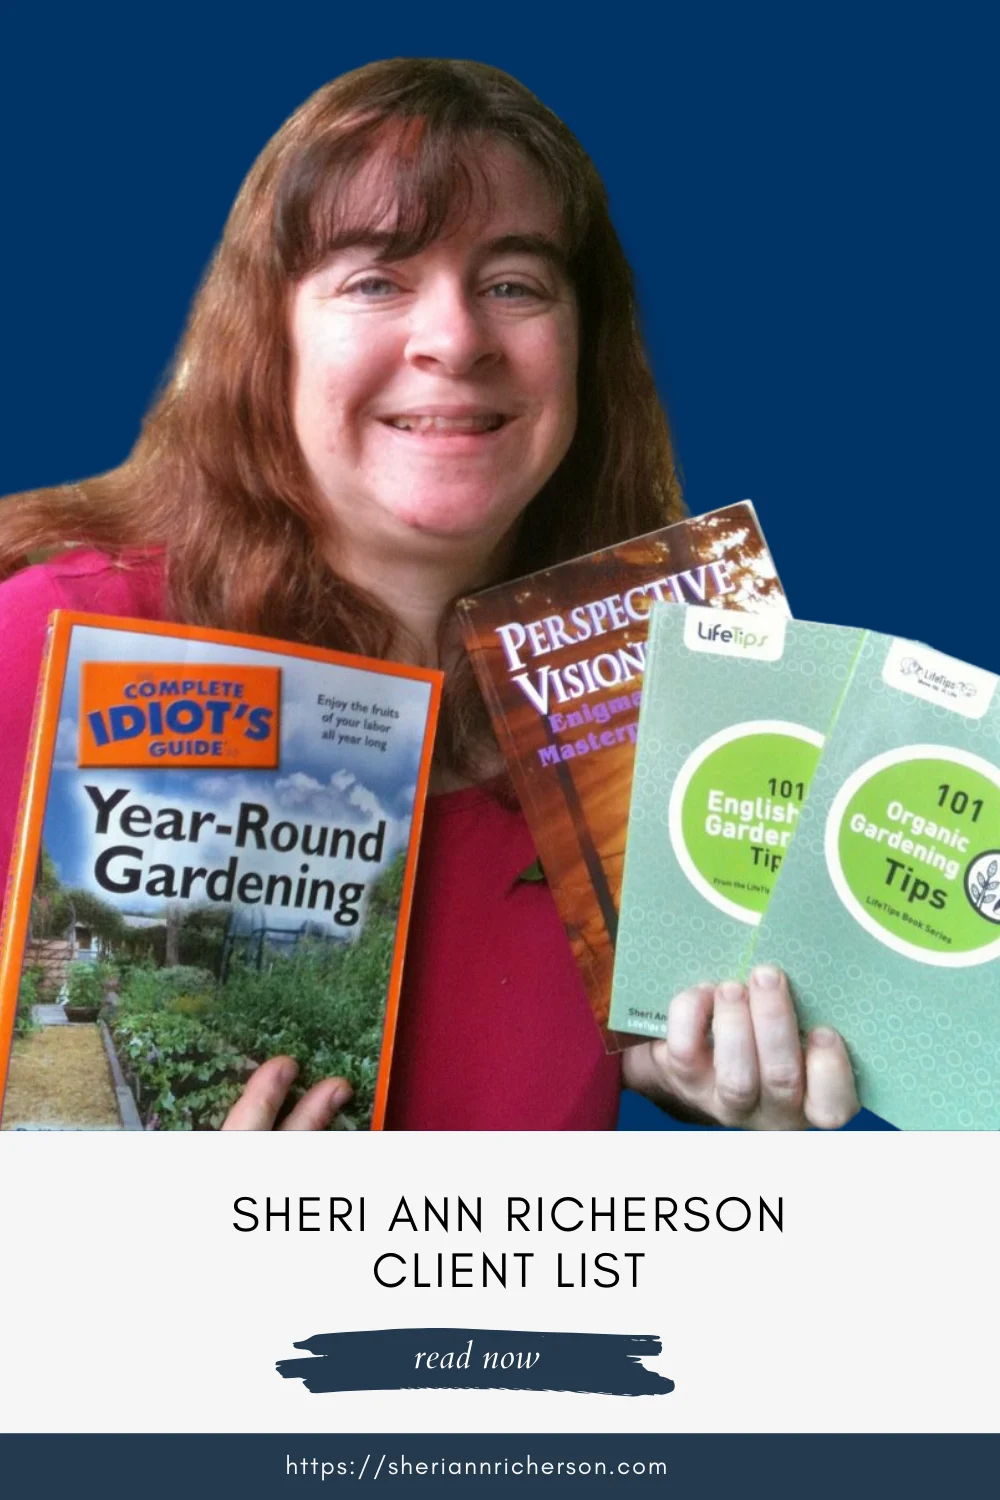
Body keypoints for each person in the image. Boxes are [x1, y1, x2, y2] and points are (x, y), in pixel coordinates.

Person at [0, 58, 859, 1131]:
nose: (454, 340)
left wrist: (750, 1121)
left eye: (514, 283)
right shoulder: (48, 645)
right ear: (265, 339)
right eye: (374, 280)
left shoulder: (659, 728)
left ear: (584, 350)